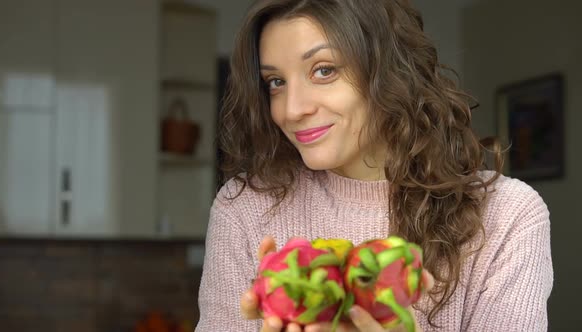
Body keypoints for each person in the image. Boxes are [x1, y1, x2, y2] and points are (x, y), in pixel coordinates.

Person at [196, 0, 553, 331]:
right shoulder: (243, 210)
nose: (292, 109)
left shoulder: (508, 214)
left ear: (390, 71)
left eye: (324, 70)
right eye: (275, 82)